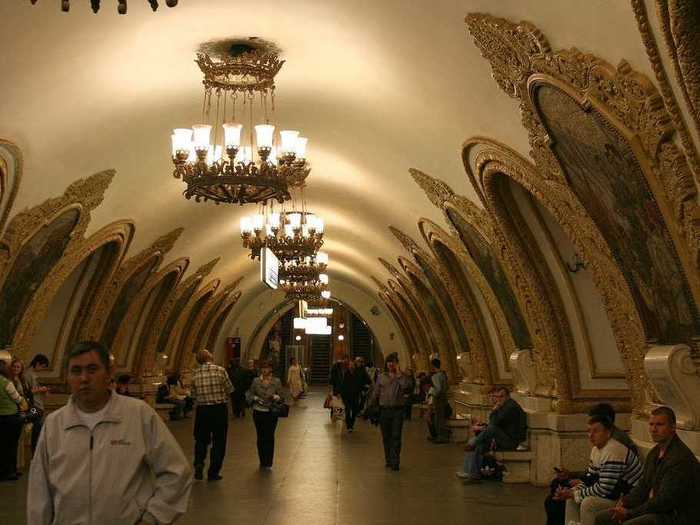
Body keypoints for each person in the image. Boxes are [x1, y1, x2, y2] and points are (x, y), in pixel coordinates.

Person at [27, 341, 192, 523]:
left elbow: (176, 472)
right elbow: (39, 491)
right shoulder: (54, 424)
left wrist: (153, 518)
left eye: (92, 369)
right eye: (76, 371)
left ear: (109, 373)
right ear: (67, 377)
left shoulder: (138, 415)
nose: (84, 378)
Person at [594, 406, 700, 525]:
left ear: (673, 427)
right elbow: (644, 485)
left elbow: (664, 501)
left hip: (679, 517)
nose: (654, 429)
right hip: (662, 510)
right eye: (651, 424)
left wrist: (630, 513)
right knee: (603, 518)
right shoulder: (654, 453)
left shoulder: (679, 458)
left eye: (659, 425)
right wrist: (624, 502)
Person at [545, 402, 637, 525]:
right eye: (589, 431)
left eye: (596, 431)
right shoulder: (596, 449)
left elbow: (605, 489)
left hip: (626, 497)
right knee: (570, 498)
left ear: (608, 432)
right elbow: (590, 478)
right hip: (612, 491)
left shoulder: (613, 451)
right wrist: (571, 492)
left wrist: (575, 493)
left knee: (588, 503)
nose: (590, 436)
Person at [456, 386, 527, 482]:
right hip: (504, 438)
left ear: (508, 397)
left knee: (489, 431)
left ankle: (472, 444)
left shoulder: (510, 407)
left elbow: (493, 423)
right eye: (497, 397)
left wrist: (495, 410)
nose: (499, 399)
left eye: (501, 397)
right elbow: (494, 423)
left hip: (511, 441)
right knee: (481, 445)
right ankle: (474, 475)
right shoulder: (505, 406)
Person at [191, 349, 233, 481]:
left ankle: (198, 463)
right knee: (219, 441)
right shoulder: (220, 370)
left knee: (201, 439)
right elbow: (230, 389)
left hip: (202, 411)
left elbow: (193, 395)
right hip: (218, 410)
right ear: (210, 357)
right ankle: (213, 472)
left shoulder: (195, 374)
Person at [369, 352, 411, 471]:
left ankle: (395, 461)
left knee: (396, 436)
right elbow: (376, 393)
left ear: (397, 364)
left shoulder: (402, 377)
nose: (391, 364)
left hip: (397, 410)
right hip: (384, 411)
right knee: (386, 436)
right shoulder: (382, 377)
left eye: (393, 362)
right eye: (389, 362)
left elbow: (406, 386)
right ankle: (388, 459)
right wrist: (371, 406)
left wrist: (398, 374)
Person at [247, 360, 285, 469]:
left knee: (269, 436)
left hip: (271, 412)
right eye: (263, 368)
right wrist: (254, 398)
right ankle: (262, 460)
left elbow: (281, 396)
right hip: (258, 411)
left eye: (267, 368)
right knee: (260, 436)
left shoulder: (276, 381)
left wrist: (276, 397)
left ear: (271, 369)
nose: (264, 370)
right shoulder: (255, 381)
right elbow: (250, 393)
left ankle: (268, 461)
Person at [0, 358, 27, 482]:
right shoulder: (6, 382)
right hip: (11, 417)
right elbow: (17, 398)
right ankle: (10, 472)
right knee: (11, 445)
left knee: (2, 445)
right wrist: (25, 404)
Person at [25, 353, 50, 453]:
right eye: (42, 367)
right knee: (36, 432)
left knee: (38, 432)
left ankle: (36, 453)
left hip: (38, 406)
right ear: (37, 363)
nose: (42, 369)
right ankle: (35, 453)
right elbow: (27, 392)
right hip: (34, 407)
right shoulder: (28, 374)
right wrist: (41, 390)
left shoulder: (33, 375)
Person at [340, 357, 370, 432]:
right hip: (346, 395)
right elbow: (343, 384)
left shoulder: (358, 373)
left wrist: (363, 388)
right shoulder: (346, 373)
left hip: (355, 395)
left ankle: (352, 425)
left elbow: (364, 382)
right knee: (347, 410)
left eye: (353, 365)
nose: (351, 366)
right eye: (350, 365)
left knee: (354, 411)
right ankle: (349, 426)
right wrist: (341, 394)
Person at [427, 358, 449, 442]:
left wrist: (433, 394)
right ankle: (440, 436)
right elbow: (446, 387)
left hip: (438, 399)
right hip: (444, 399)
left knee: (438, 419)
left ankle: (441, 436)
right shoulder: (443, 375)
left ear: (433, 366)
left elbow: (438, 389)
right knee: (440, 418)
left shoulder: (435, 376)